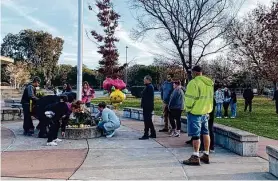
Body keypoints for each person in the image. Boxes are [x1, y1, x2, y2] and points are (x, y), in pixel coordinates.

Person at [182, 65, 214, 166]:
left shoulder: (193, 83)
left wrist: (188, 109)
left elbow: (189, 99)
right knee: (206, 132)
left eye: (192, 73)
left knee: (196, 135)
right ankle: (206, 154)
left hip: (195, 112)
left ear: (195, 73)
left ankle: (195, 156)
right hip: (206, 112)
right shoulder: (209, 83)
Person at [139, 75, 156, 140]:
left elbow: (148, 98)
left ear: (148, 80)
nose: (144, 80)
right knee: (149, 121)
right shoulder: (148, 87)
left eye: (144, 79)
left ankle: (146, 134)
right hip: (147, 106)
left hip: (147, 107)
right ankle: (153, 133)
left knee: (147, 121)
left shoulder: (149, 87)